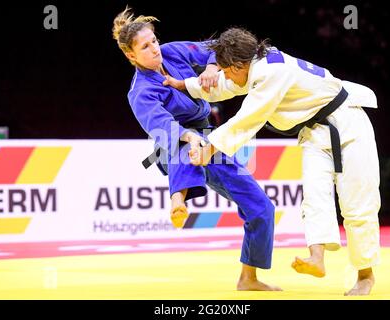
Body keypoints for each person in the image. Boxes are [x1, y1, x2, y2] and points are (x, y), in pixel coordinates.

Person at [164, 27, 381, 296]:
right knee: (314, 195)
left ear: (238, 64)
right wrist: (184, 85)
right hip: (313, 132)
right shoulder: (252, 65)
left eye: (226, 69)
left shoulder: (270, 72)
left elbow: (249, 118)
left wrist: (210, 148)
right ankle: (317, 258)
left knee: (357, 203)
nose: (225, 75)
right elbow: (225, 85)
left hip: (348, 123)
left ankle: (365, 276)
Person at [112, 7, 280, 291]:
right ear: (131, 55)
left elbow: (215, 49)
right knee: (184, 145)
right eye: (145, 46)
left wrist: (213, 67)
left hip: (208, 136)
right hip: (170, 145)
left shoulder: (172, 51)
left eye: (153, 40)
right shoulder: (140, 92)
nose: (154, 48)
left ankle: (248, 278)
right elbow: (162, 125)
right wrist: (189, 138)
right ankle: (178, 197)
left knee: (261, 207)